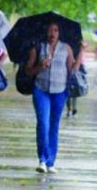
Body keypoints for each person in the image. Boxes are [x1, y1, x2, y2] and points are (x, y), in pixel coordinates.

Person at [25, 21, 82, 173]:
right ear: (46, 32)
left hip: (60, 91)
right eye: (50, 30)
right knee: (43, 123)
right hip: (41, 90)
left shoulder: (66, 48)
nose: (52, 34)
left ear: (59, 33)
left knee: (54, 126)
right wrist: (40, 66)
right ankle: (42, 160)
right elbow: (28, 71)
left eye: (55, 30)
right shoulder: (38, 47)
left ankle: (51, 162)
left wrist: (81, 51)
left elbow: (73, 71)